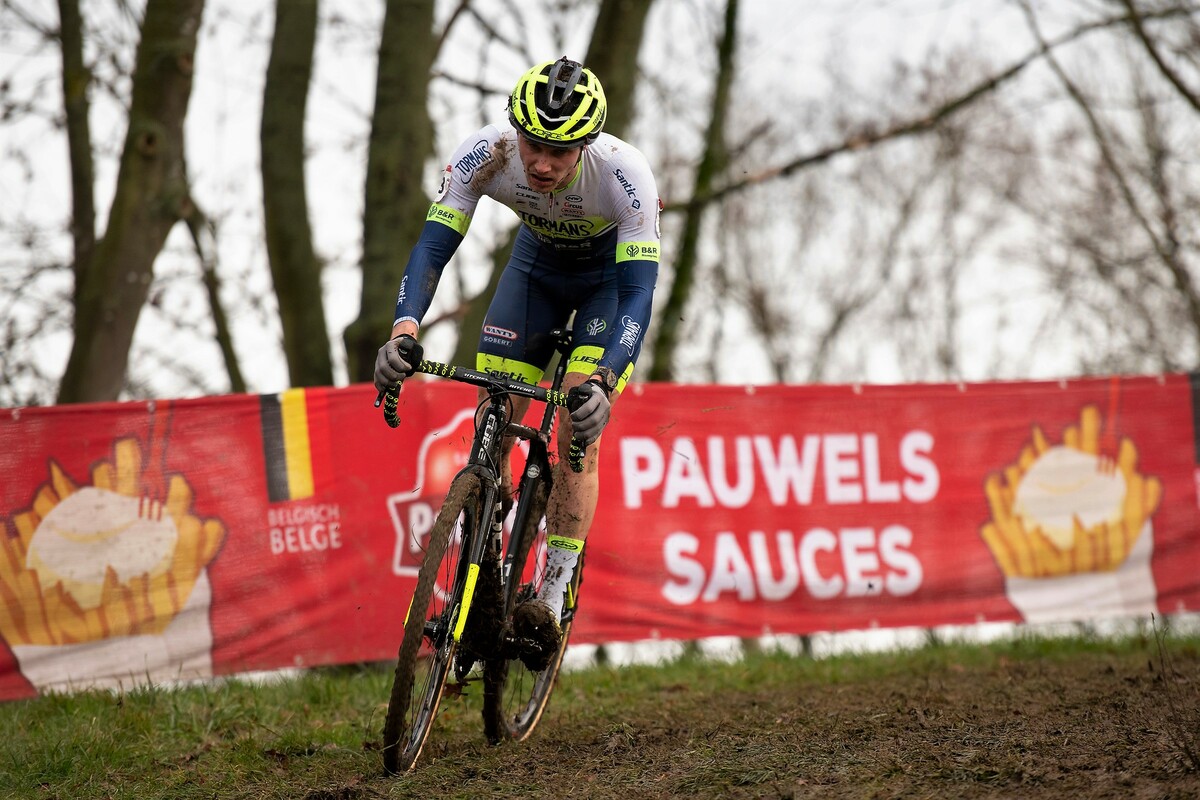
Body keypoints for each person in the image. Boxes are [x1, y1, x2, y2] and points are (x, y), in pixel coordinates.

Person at [374, 57, 661, 656]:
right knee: (493, 422)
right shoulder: (488, 153)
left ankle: (551, 596)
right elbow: (433, 245)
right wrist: (403, 329)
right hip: (534, 274)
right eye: (533, 145)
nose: (541, 164)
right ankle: (483, 559)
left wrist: (606, 381)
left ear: (587, 144)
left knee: (577, 431)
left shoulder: (624, 173)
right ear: (516, 133)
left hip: (608, 283)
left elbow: (638, 291)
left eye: (561, 151)